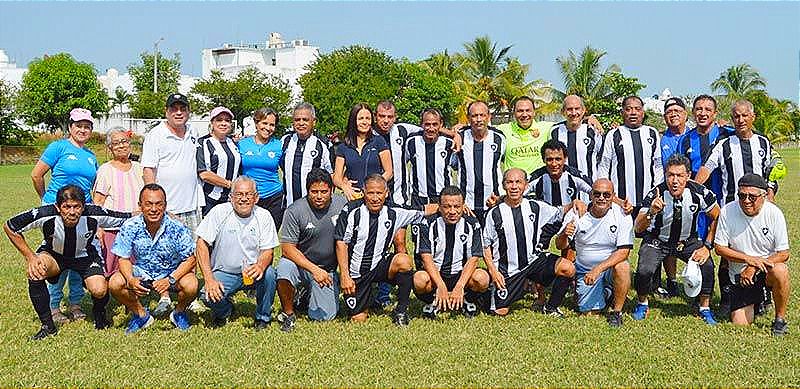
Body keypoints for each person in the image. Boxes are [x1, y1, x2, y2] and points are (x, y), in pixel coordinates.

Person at [4, 185, 129, 340]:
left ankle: (99, 313)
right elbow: (10, 226)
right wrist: (30, 257)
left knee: (99, 289)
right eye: (67, 207)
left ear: (84, 206)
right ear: (57, 207)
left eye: (76, 207)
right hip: (54, 256)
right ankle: (48, 326)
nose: (72, 212)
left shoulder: (94, 213)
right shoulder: (45, 214)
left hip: (85, 257)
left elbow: (126, 218)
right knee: (35, 272)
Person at [334, 174, 438, 326]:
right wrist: (345, 275)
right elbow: (341, 243)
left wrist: (455, 205)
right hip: (357, 272)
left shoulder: (394, 211)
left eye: (379, 193)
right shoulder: (351, 210)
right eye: (371, 193)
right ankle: (365, 299)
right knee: (358, 319)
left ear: (386, 193)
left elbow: (424, 210)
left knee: (403, 260)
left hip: (380, 266)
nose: (375, 198)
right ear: (363, 192)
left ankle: (401, 310)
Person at [632, 154, 721, 325]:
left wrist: (707, 246)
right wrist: (651, 212)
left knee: (707, 265)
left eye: (679, 176)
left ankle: (704, 307)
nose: (674, 181)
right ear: (665, 175)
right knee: (644, 270)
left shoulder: (699, 192)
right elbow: (638, 227)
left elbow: (718, 217)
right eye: (670, 175)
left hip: (687, 241)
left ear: (688, 176)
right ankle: (642, 303)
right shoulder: (655, 193)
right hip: (658, 240)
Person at [30, 108, 99, 324]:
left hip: (82, 213)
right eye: (78, 125)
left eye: (87, 126)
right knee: (58, 256)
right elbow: (36, 174)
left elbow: (91, 186)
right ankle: (53, 306)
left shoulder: (90, 156)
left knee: (80, 255)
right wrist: (47, 201)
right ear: (70, 127)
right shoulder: (58, 147)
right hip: (59, 213)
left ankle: (76, 303)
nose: (82, 129)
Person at [482, 168, 579, 317]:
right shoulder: (494, 213)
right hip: (508, 270)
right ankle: (486, 293)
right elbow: (485, 246)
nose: (514, 186)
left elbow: (560, 211)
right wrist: (493, 272)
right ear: (503, 185)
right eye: (510, 182)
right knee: (500, 312)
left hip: (533, 261)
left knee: (568, 268)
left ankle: (551, 307)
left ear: (526, 185)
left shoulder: (535, 206)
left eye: (518, 182)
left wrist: (575, 203)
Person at [108, 184, 198, 333]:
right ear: (140, 205)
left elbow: (191, 259)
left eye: (159, 204)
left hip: (171, 273)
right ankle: (140, 314)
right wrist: (130, 279)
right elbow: (123, 258)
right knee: (115, 283)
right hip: (142, 271)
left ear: (165, 205)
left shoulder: (177, 227)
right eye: (148, 204)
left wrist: (170, 279)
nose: (154, 209)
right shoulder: (130, 226)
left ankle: (179, 313)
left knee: (192, 284)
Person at [196, 176, 278, 329]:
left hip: (252, 272)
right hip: (224, 271)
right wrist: (208, 279)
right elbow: (201, 243)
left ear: (256, 198)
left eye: (248, 194)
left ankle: (262, 317)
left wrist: (260, 266)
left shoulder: (264, 216)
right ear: (231, 197)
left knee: (270, 274)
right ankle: (225, 311)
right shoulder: (219, 212)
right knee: (205, 295)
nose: (244, 199)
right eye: (239, 194)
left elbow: (268, 251)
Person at [714, 174, 790, 335]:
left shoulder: (774, 213)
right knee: (740, 325)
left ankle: (780, 320)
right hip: (740, 275)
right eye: (742, 195)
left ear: (763, 196)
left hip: (765, 270)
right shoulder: (727, 211)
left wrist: (754, 266)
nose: (746, 200)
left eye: (752, 196)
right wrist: (748, 260)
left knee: (781, 271)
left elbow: (784, 253)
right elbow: (719, 248)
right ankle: (758, 300)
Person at [276, 168, 347, 332]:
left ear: (332, 190)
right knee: (284, 269)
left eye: (324, 191)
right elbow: (287, 248)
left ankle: (305, 295)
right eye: (314, 192)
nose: (319, 196)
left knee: (323, 317)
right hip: (302, 266)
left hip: (327, 270)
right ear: (307, 190)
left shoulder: (342, 205)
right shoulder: (295, 210)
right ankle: (288, 313)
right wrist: (313, 269)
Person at [555, 179, 632, 327]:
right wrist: (564, 234)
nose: (601, 198)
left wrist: (598, 269)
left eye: (606, 195)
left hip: (608, 268)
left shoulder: (622, 214)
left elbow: (624, 252)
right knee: (589, 314)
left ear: (613, 196)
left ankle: (616, 312)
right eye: (597, 194)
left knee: (622, 266)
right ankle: (608, 293)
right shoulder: (577, 213)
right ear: (590, 195)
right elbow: (559, 245)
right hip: (585, 270)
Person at [413, 186, 490, 319]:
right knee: (419, 280)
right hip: (436, 274)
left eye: (457, 206)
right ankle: (433, 302)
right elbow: (426, 259)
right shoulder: (427, 223)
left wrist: (460, 286)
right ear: (439, 207)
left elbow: (474, 259)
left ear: (463, 206)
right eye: (447, 207)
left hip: (460, 275)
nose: (452, 211)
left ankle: (467, 301)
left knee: (482, 278)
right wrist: (441, 285)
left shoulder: (472, 223)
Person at [141, 93, 203, 232]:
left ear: (188, 111)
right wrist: (156, 205)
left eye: (183, 108)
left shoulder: (193, 132)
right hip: (168, 210)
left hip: (192, 208)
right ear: (166, 111)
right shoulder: (155, 134)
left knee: (192, 252)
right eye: (174, 109)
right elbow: (148, 170)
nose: (179, 112)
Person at [694, 99, 773, 204]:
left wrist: (770, 193)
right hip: (731, 206)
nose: (741, 120)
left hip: (759, 205)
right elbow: (706, 167)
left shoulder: (763, 142)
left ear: (753, 117)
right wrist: (693, 189)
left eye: (745, 115)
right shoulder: (723, 143)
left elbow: (769, 172)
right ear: (732, 119)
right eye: (736, 116)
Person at [598, 95, 664, 217]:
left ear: (643, 113)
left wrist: (656, 190)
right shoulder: (613, 135)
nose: (633, 113)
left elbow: (658, 165)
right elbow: (604, 167)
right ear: (622, 112)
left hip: (647, 200)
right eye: (628, 109)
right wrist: (610, 196)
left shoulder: (652, 133)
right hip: (620, 201)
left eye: (637, 109)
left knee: (644, 234)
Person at [452, 100, 505, 224]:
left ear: (489, 117)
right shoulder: (460, 138)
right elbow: (452, 165)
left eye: (482, 115)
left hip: (493, 202)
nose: (478, 119)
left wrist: (501, 198)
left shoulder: (499, 138)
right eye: (474, 116)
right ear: (468, 118)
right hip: (467, 205)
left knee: (493, 242)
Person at [333, 103, 392, 201]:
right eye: (361, 118)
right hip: (354, 198)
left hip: (375, 198)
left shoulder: (379, 141)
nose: (365, 122)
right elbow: (336, 178)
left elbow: (389, 172)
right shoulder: (343, 147)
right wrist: (344, 186)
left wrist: (374, 187)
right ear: (353, 121)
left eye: (368, 118)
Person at [238, 107, 285, 227]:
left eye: (272, 125)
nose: (268, 128)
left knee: (270, 237)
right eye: (264, 123)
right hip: (249, 197)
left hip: (273, 197)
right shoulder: (242, 144)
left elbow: (288, 170)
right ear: (256, 123)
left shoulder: (279, 145)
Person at [282, 102, 333, 207]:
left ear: (314, 122)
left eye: (305, 120)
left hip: (314, 207)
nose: (301, 123)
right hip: (289, 205)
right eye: (297, 120)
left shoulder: (323, 144)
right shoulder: (285, 141)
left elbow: (330, 175)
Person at [404, 108, 456, 207]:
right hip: (418, 199)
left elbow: (458, 169)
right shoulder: (411, 143)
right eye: (427, 124)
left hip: (442, 199)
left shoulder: (449, 144)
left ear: (441, 124)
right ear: (421, 124)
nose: (431, 128)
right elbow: (402, 166)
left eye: (435, 124)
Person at [196, 106, 242, 216]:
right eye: (219, 120)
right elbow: (204, 174)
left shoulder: (233, 143)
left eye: (227, 120)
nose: (223, 123)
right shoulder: (203, 143)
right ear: (212, 122)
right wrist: (229, 184)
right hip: (211, 199)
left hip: (231, 200)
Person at [549, 95, 604, 183]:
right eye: (569, 109)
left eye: (577, 108)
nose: (574, 113)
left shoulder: (593, 131)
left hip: (589, 188)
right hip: (563, 186)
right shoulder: (554, 132)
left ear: (583, 110)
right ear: (563, 112)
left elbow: (603, 161)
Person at [526, 139, 593, 206]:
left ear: (565, 159)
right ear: (543, 160)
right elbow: (518, 193)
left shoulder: (574, 175)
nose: (554, 164)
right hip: (545, 216)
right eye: (550, 159)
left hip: (569, 215)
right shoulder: (536, 177)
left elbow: (595, 191)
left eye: (558, 159)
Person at [497, 96, 554, 174]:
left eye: (528, 110)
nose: (524, 114)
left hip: (538, 182)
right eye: (520, 111)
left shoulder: (547, 128)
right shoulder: (503, 130)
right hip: (514, 184)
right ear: (514, 113)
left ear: (534, 112)